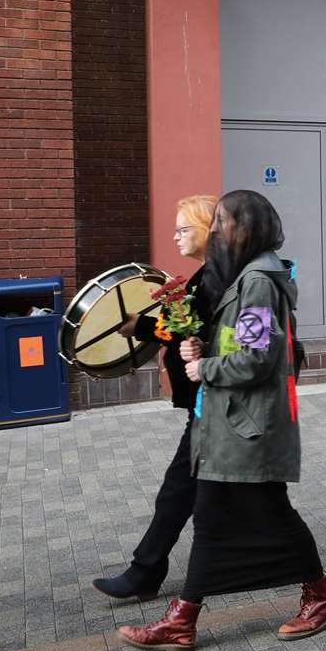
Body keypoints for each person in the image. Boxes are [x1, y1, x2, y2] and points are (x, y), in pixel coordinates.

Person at [117, 191, 326, 651]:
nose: (215, 231)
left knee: (266, 512)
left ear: (247, 229)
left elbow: (256, 358)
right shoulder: (242, 277)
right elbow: (236, 342)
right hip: (229, 423)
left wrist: (206, 369)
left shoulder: (256, 282)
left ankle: (317, 597)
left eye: (223, 223)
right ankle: (184, 618)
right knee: (217, 516)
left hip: (246, 424)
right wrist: (203, 349)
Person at [94, 194, 219, 601]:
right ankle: (149, 572)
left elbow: (197, 330)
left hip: (216, 405)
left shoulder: (218, 278)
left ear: (206, 230)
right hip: (209, 404)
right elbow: (185, 326)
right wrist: (144, 326)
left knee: (179, 490)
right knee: (189, 491)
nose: (175, 235)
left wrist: (148, 327)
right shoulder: (206, 275)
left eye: (184, 228)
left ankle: (147, 573)